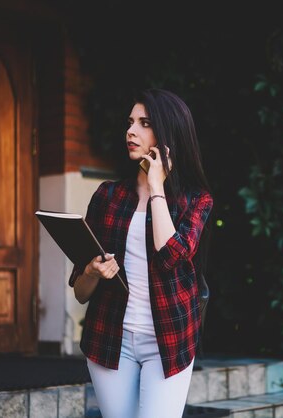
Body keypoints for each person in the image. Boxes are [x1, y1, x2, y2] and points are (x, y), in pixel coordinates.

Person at [68, 88, 213, 418]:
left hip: (169, 342)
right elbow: (80, 291)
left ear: (167, 133)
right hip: (110, 340)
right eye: (130, 122)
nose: (130, 131)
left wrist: (157, 186)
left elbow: (170, 255)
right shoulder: (107, 196)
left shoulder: (196, 200)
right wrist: (91, 271)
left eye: (144, 123)